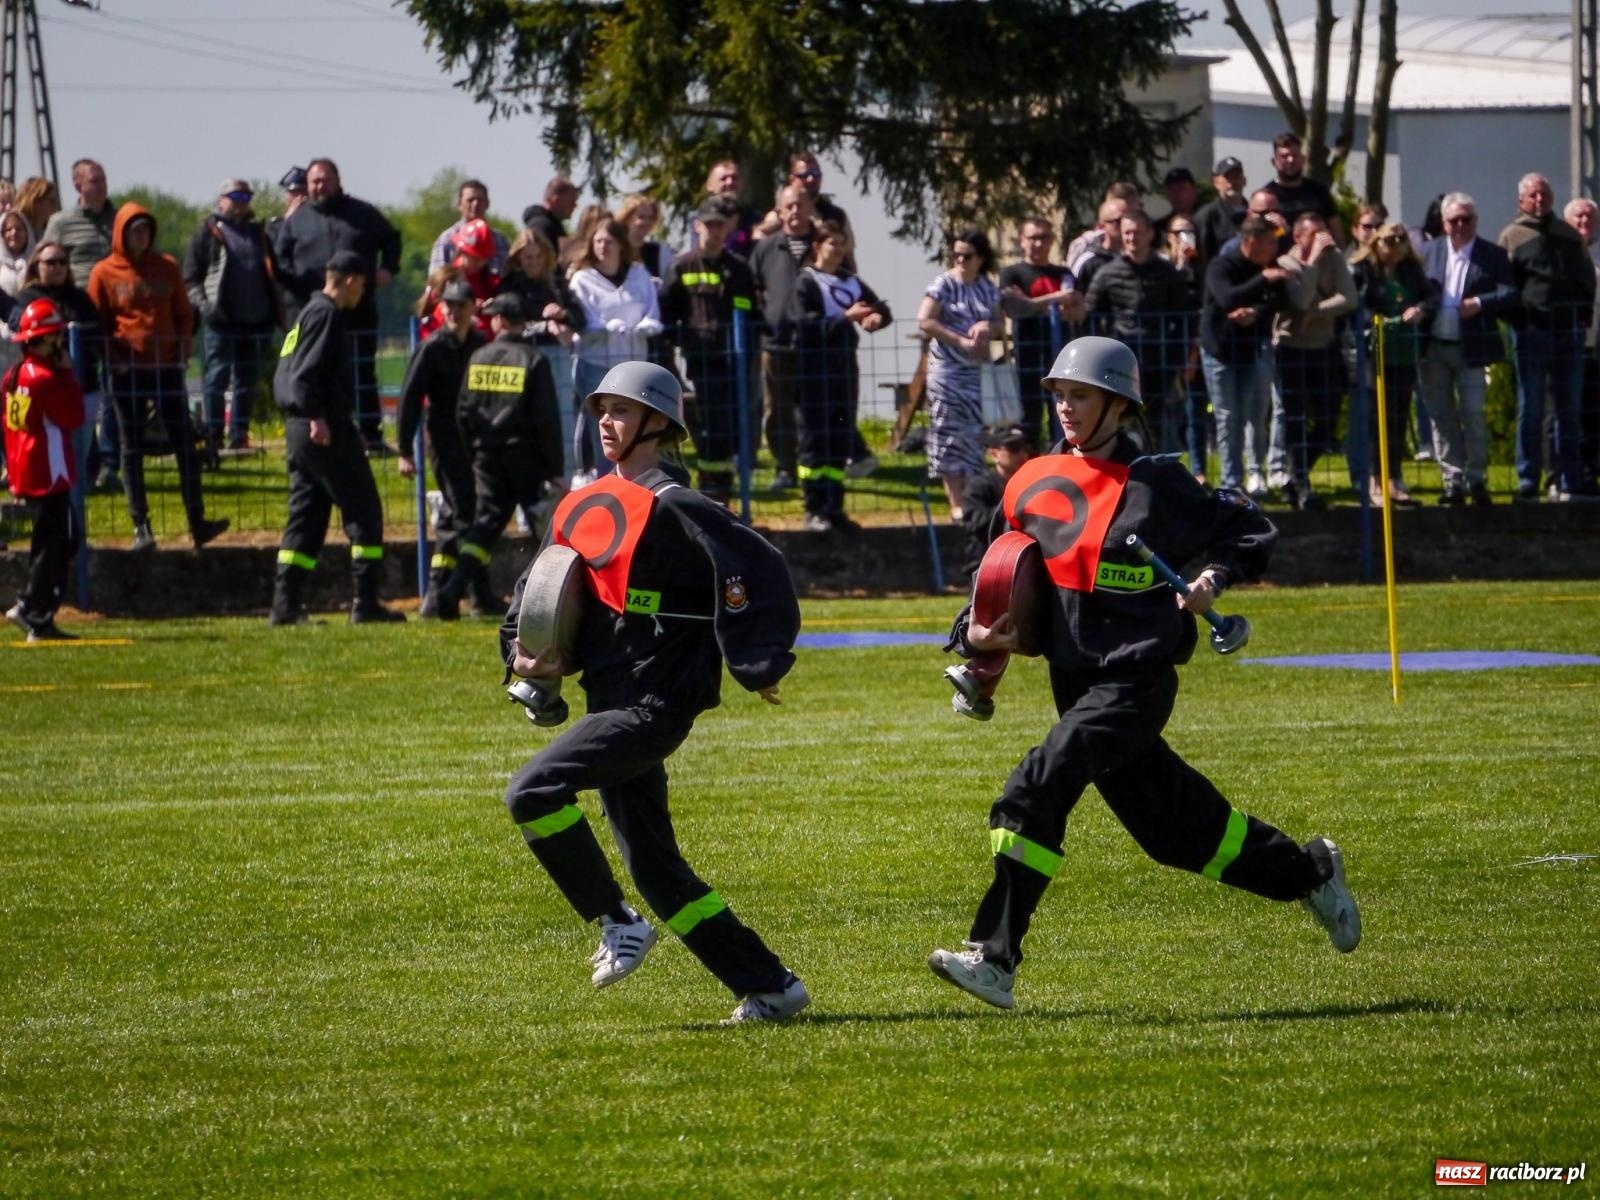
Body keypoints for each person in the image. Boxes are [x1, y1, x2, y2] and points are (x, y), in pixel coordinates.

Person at [927, 335, 1360, 1012]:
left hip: (1136, 681)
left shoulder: (1160, 484)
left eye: (1082, 396)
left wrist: (1212, 578)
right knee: (1177, 836)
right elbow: (998, 575)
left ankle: (995, 957)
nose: (1067, 409)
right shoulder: (1031, 479)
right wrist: (975, 637)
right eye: (1061, 396)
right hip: (1074, 683)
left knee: (1033, 787)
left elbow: (1248, 529)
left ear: (1119, 405)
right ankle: (1309, 871)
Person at [499, 359, 809, 1024]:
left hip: (655, 707)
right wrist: (521, 665)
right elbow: (535, 594)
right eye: (601, 411)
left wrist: (758, 661)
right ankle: (771, 986)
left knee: (531, 792)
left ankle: (616, 922)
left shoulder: (679, 506)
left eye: (622, 410)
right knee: (658, 870)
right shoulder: (581, 504)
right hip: (608, 701)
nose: (607, 423)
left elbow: (756, 567)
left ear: (659, 422)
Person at [269, 250, 404, 626]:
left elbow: (285, 375)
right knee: (364, 509)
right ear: (347, 279)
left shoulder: (305, 315)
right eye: (361, 283)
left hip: (300, 428)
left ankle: (285, 606)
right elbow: (304, 376)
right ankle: (365, 603)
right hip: (320, 426)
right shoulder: (326, 314)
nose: (363, 292)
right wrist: (317, 416)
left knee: (307, 517)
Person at [87, 202, 228, 550]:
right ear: (121, 233)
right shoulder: (103, 273)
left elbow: (184, 316)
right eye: (134, 230)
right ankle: (141, 527)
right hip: (127, 372)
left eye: (146, 230)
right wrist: (113, 359)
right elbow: (97, 326)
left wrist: (181, 355)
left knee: (184, 444)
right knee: (130, 448)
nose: (141, 236)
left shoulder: (167, 267)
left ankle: (198, 522)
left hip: (166, 369)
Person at [436, 292, 566, 613]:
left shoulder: (478, 356)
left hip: (486, 456)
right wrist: (555, 469)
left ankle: (452, 589)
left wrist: (473, 452)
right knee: (543, 528)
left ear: (501, 321)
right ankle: (553, 597)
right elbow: (546, 420)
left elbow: (462, 413)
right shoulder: (534, 360)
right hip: (525, 458)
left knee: (486, 524)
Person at [275, 158, 402, 454]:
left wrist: (388, 270)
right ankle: (315, 426)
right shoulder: (296, 219)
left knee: (361, 370)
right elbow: (280, 260)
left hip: (359, 308)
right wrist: (300, 294)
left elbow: (392, 240)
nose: (320, 186)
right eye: (315, 181)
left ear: (338, 180)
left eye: (325, 180)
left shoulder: (363, 213)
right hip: (313, 313)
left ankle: (370, 434)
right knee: (312, 369)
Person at [1497, 172, 1597, 501]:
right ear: (1521, 201)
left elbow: (1586, 278)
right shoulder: (1511, 237)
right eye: (1533, 195)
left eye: (1544, 194)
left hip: (1568, 330)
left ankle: (1570, 476)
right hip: (1532, 332)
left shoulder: (1568, 234)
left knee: (1569, 407)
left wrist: (1581, 316)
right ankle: (1528, 477)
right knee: (1532, 406)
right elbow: (1503, 287)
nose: (1540, 201)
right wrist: (1519, 320)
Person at [788, 219, 891, 531]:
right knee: (814, 440)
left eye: (842, 244)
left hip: (844, 369)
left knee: (839, 438)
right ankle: (814, 508)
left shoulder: (851, 281)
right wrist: (845, 318)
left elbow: (881, 309)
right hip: (813, 372)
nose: (839, 250)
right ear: (818, 246)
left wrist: (874, 318)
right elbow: (804, 325)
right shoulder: (806, 282)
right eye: (833, 243)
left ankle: (835, 507)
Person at [397, 277, 487, 619]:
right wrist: (404, 449)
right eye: (448, 305)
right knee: (465, 514)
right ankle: (477, 592)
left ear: (472, 309)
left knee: (453, 517)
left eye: (460, 305)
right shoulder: (432, 347)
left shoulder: (478, 345)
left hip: (473, 442)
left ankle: (437, 594)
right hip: (445, 442)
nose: (453, 311)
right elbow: (409, 399)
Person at [659, 195, 756, 503]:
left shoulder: (739, 269)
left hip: (738, 361)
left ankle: (723, 493)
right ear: (698, 226)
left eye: (719, 225)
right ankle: (711, 492)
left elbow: (752, 312)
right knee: (711, 429)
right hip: (702, 361)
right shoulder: (682, 265)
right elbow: (665, 315)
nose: (714, 231)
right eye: (709, 225)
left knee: (734, 430)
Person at [1420, 193, 1516, 506]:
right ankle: (1452, 481)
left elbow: (1510, 292)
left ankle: (1477, 479)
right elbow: (1415, 290)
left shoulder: (1492, 254)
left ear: (1476, 220)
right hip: (1434, 346)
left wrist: (1480, 303)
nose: (1460, 225)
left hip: (1473, 346)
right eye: (1453, 220)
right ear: (1443, 222)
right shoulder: (1427, 252)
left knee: (1473, 413)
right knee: (1441, 416)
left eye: (1467, 219)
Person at [182, 178, 284, 460]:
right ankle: (213, 436)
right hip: (221, 322)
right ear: (220, 200)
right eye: (235, 195)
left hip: (256, 322)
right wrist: (205, 307)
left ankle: (239, 434)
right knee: (216, 380)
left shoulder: (258, 233)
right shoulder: (207, 232)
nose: (241, 201)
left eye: (246, 195)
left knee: (246, 382)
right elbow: (190, 278)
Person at [3, 299, 84, 642]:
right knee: (58, 542)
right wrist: (67, 372)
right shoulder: (46, 378)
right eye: (55, 338)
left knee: (56, 541)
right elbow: (74, 416)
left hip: (28, 468)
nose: (60, 344)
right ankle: (32, 609)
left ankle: (38, 613)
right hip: (48, 471)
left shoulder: (17, 374)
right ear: (43, 340)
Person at [1083, 209, 1192, 451]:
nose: (1132, 238)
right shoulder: (1108, 272)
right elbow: (1089, 315)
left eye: (1137, 232)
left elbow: (1183, 316)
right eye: (1127, 233)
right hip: (1118, 360)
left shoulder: (1166, 273)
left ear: (1150, 234)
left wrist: (1177, 356)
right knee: (1120, 421)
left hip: (1158, 360)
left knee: (1157, 424)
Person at [1272, 212, 1357, 509]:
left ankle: (1298, 474)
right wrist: (1313, 262)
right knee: (1295, 417)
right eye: (1314, 234)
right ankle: (1300, 483)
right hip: (1291, 348)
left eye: (1324, 232)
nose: (1323, 239)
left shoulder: (1334, 260)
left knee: (1328, 417)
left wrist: (1316, 312)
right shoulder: (1287, 263)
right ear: (1298, 237)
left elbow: (1349, 298)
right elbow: (1299, 299)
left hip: (1323, 347)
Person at [566, 217, 663, 478]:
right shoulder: (582, 279)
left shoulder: (639, 275)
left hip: (634, 367)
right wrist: (605, 327)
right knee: (603, 431)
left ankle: (637, 480)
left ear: (620, 244)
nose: (603, 247)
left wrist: (647, 325)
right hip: (597, 366)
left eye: (608, 241)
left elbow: (652, 310)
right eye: (597, 241)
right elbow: (582, 318)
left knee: (635, 427)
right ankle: (603, 482)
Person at [42, 159, 117, 490]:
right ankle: (88, 461)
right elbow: (45, 258)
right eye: (94, 180)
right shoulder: (62, 222)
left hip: (115, 316)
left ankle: (112, 462)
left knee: (113, 392)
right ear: (78, 186)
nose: (101, 185)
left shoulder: (118, 220)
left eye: (103, 179)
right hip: (78, 318)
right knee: (81, 392)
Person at [918, 229, 1003, 518]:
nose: (960, 260)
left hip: (977, 373)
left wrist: (986, 328)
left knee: (975, 435)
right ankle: (956, 503)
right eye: (955, 255)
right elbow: (925, 319)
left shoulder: (987, 287)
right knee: (948, 433)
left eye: (967, 255)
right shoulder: (943, 284)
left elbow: (1000, 323)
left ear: (980, 257)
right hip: (948, 371)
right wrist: (959, 340)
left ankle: (973, 500)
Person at [1199, 215, 1287, 494]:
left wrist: (1256, 313)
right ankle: (1231, 480)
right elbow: (1227, 297)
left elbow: (1280, 300)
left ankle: (1256, 471)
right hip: (1220, 351)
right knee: (1227, 416)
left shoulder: (1268, 268)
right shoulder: (1221, 266)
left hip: (1251, 351)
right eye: (1270, 243)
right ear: (1251, 242)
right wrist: (1262, 279)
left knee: (1255, 413)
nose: (1275, 249)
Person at [1350, 221, 1433, 506]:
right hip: (1374, 353)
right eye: (1389, 240)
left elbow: (1430, 296)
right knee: (1378, 418)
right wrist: (1377, 321)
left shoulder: (1411, 270)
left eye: (1400, 240)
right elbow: (1357, 304)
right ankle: (1375, 480)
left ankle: (1394, 478)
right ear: (1377, 242)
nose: (1395, 246)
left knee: (1397, 417)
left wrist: (1420, 309)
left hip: (1403, 352)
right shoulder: (1363, 269)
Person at [749, 183, 816, 488]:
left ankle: (812, 467)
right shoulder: (765, 248)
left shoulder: (823, 245)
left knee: (813, 408)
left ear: (810, 207)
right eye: (788, 206)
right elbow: (751, 290)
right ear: (779, 212)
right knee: (777, 409)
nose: (794, 212)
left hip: (816, 344)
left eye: (800, 205)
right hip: (775, 343)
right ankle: (785, 468)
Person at [998, 216, 1083, 448]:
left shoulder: (1063, 273)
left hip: (1063, 354)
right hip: (1029, 354)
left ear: (1052, 240)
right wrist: (1055, 303)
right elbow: (1013, 308)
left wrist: (1032, 303)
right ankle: (1033, 462)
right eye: (1033, 238)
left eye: (1044, 237)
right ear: (1022, 240)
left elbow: (1077, 309)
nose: (1038, 243)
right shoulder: (1011, 273)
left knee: (1064, 411)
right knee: (1030, 414)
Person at [498, 226, 577, 476]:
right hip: (524, 358)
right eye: (527, 257)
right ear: (518, 258)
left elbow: (579, 317)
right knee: (528, 420)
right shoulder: (511, 286)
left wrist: (562, 315)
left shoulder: (556, 284)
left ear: (546, 257)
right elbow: (512, 325)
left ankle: (564, 477)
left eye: (537, 257)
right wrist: (547, 326)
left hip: (557, 357)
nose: (533, 262)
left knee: (564, 420)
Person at [960, 422, 1035, 580]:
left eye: (1025, 447)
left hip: (1024, 562)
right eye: (1013, 448)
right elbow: (975, 522)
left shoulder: (1034, 484)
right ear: (994, 454)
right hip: (987, 563)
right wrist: (1014, 510)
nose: (1022, 454)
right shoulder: (979, 486)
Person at [1260, 132, 1342, 241]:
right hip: (1282, 256)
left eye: (1295, 155)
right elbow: (1264, 238)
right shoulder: (1267, 196)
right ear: (1274, 162)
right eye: (1284, 156)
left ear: (1303, 159)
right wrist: (1282, 231)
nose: (1291, 160)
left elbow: (1335, 229)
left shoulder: (1319, 191)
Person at [429, 178, 509, 276]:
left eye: (480, 200)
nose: (475, 204)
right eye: (470, 200)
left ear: (487, 204)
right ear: (459, 204)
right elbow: (436, 280)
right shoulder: (447, 239)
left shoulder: (499, 240)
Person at [1194, 157, 1248, 267]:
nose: (1232, 183)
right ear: (1216, 182)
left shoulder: (1253, 211)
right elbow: (1202, 255)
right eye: (1228, 178)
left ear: (1244, 181)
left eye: (1237, 177)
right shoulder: (1206, 215)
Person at [521, 176, 580, 253]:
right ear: (556, 201)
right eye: (572, 201)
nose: (575, 205)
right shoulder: (542, 226)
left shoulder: (552, 225)